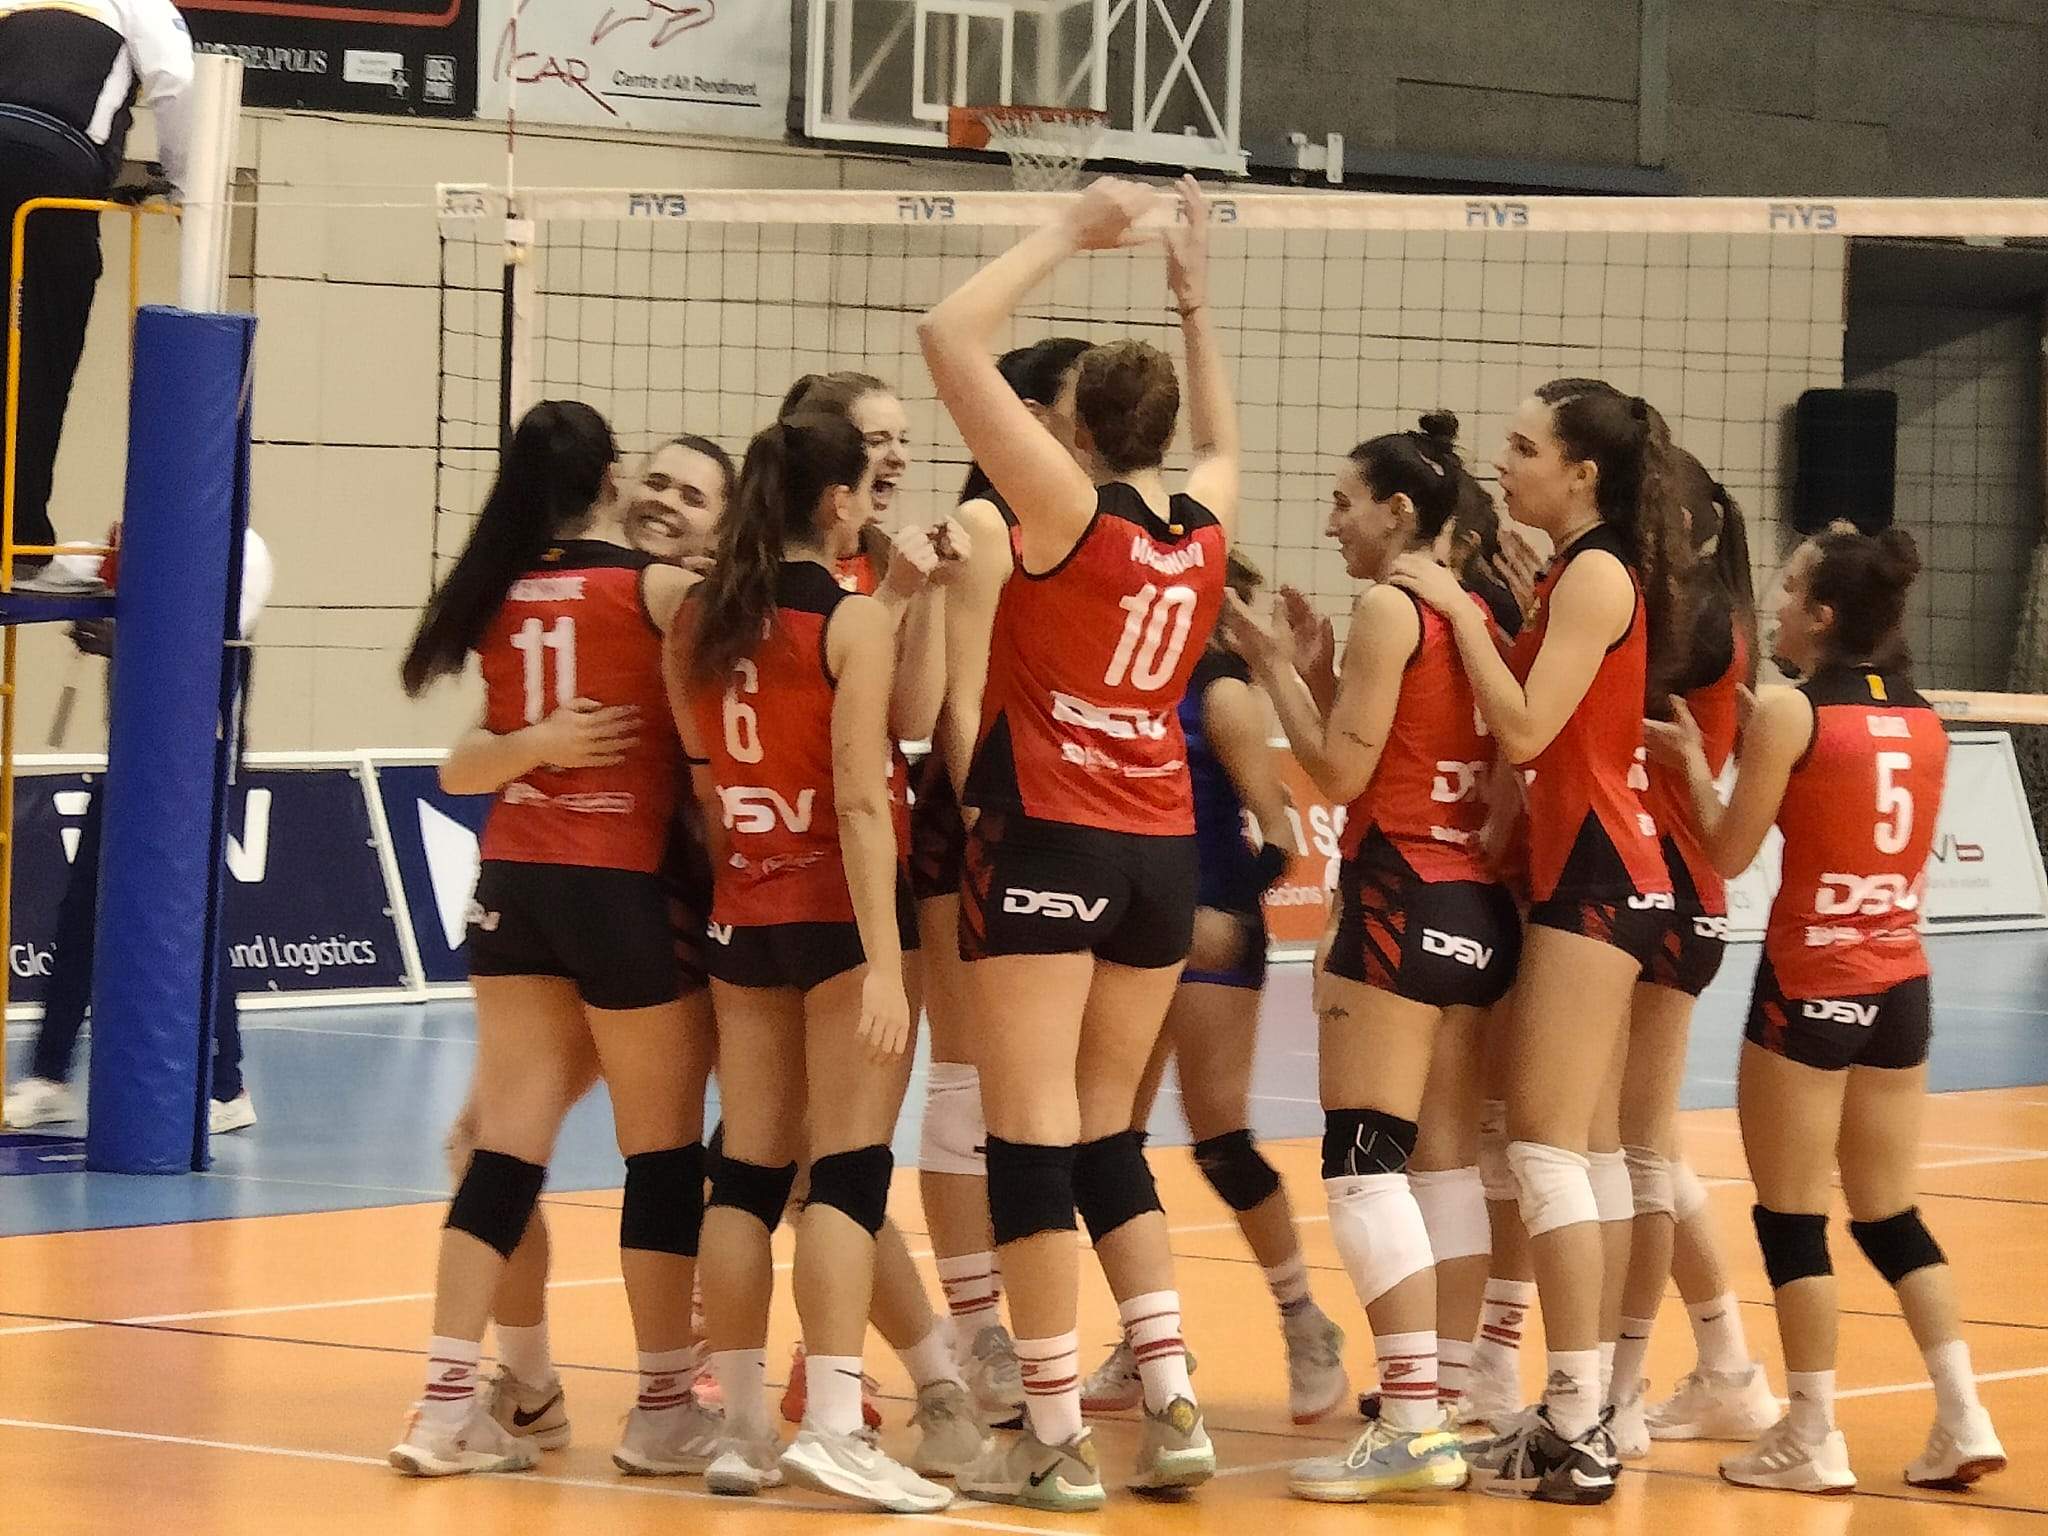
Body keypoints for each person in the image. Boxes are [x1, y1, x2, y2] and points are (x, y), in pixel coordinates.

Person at [920, 174, 1236, 1510]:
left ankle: (1050, 1433)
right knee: (1109, 1139)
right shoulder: (1205, 517)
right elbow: (1224, 434)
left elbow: (948, 333)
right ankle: (1169, 1405)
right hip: (1164, 846)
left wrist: (1069, 234)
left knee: (1031, 1139)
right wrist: (1191, 298)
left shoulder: (1061, 510)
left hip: (1050, 838)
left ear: (1074, 427)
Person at [388, 400, 714, 1480]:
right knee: (661, 1159)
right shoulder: (661, 592)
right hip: (622, 889)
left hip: (516, 882)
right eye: (650, 483)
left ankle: (449, 1406)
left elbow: (460, 762)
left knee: (497, 1155)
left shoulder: (500, 589)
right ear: (615, 479)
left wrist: (531, 744)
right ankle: (666, 1403)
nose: (660, 501)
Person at [1648, 523, 2007, 1495]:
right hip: (1900, 984)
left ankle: (1810, 1434)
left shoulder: (1787, 713)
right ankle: (1962, 1413)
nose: (1772, 604)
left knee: (1791, 1218)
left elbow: (1723, 851)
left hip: (1810, 986)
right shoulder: (1924, 717)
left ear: (1821, 615)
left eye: (1789, 589)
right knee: (1888, 1214)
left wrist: (1686, 762)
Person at [1390, 379, 1686, 1503]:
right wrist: (1509, 610)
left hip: (1595, 872)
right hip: (1600, 867)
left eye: (1522, 448)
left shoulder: (1599, 572)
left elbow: (1522, 730)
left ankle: (1578, 1422)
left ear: (1582, 473)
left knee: (1552, 1151)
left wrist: (1458, 609)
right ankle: (1591, 1407)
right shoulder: (1578, 571)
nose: (1504, 465)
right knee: (1588, 1153)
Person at [669, 412, 957, 1513]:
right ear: (838, 505)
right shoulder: (846, 620)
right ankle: (836, 1422)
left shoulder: (700, 615)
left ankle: (742, 1429)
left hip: (744, 909)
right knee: (845, 1172)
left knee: (745, 1173)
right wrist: (886, 965)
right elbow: (856, 799)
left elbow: (706, 782)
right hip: (836, 916)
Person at [1233, 414, 1516, 1500]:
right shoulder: (1480, 606)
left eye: (1344, 500)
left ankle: (1406, 1423)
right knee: (1444, 1166)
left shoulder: (1392, 604)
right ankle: (1438, 1403)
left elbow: (1339, 776)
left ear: (1400, 513)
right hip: (1475, 909)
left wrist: (1269, 666)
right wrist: (1315, 668)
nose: (1329, 520)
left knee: (1361, 1168)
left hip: (1398, 899)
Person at [1108, 550, 1345, 1429]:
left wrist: (1215, 915)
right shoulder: (1127, 682)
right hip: (1132, 931)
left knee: (1219, 1140)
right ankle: (1146, 1340)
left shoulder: (1223, 695)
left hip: (1209, 931)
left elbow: (1281, 838)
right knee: (1107, 1142)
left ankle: (1305, 1323)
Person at [914, 336, 1092, 1430]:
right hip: (988, 818)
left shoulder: (1080, 518)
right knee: (970, 1082)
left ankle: (1021, 1339)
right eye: (1072, 410)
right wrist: (992, 819)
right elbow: (957, 707)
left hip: (1069, 823)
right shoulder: (989, 522)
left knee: (1042, 1096)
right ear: (1022, 413)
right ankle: (977, 1331)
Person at [1604, 452, 1775, 1458]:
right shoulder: (1698, 605)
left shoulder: (1697, 617)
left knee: (1632, 1155)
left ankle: (1626, 1389)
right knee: (1647, 1152)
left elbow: (1586, 714)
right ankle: (1724, 1369)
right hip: (1669, 890)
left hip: (1663, 889)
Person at [4, 525, 273, 1134]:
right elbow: (62, 564)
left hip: (197, 766)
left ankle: (226, 1085)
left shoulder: (241, 549)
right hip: (132, 760)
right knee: (81, 914)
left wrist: (124, 639)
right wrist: (73, 586)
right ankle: (49, 1076)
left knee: (196, 918)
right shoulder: (142, 525)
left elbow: (205, 640)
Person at [0, 0, 192, 577]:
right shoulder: (139, 4)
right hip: (52, 163)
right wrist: (183, 184)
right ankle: (23, 539)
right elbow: (179, 85)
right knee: (42, 357)